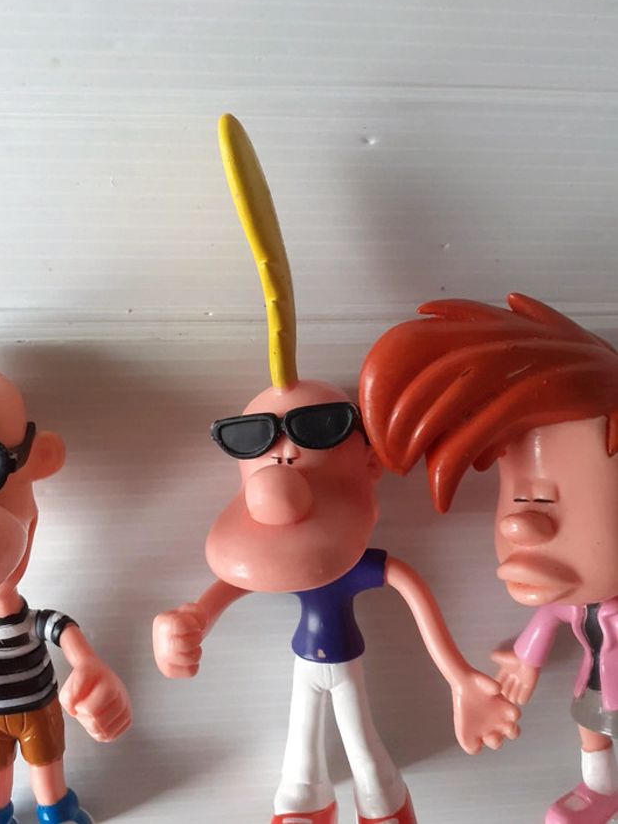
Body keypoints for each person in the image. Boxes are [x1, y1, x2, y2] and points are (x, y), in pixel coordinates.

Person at [153, 116, 519, 824]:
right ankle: (307, 803)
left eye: (314, 432)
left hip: (342, 664)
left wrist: (461, 679)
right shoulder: (273, 555)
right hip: (309, 664)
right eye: (255, 440)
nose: (283, 458)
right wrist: (190, 618)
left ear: (369, 460)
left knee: (365, 750)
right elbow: (229, 584)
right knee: (302, 758)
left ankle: (377, 802)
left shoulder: (361, 563)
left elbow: (419, 603)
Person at [360, 292, 618, 824]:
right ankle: (601, 788)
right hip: (597, 685)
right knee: (591, 728)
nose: (519, 526)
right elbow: (551, 615)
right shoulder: (577, 602)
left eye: (549, 500)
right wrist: (526, 658)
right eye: (519, 497)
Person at [0, 336, 131, 824]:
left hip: (40, 707)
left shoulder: (37, 620)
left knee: (47, 769)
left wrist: (90, 667)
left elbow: (66, 635)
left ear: (40, 459)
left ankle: (58, 812)